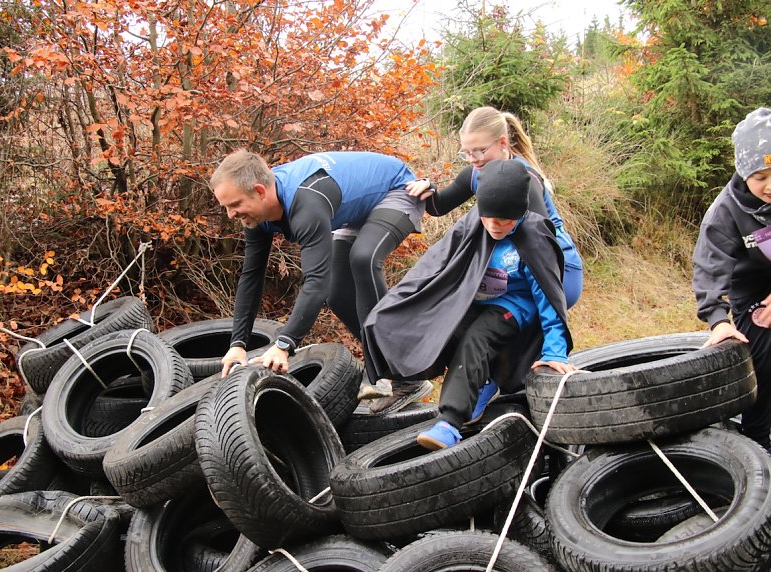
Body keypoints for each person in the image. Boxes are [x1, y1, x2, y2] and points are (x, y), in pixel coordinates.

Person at [361, 160, 576, 449]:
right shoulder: (476, 221)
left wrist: (555, 353)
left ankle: (449, 423)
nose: (494, 226)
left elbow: (550, 298)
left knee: (477, 339)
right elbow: (436, 264)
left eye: (504, 221)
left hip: (514, 306)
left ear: (520, 212)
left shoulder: (536, 237)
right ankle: (419, 382)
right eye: (488, 218)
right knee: (440, 324)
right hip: (473, 296)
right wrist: (398, 303)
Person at [211, 149, 432, 404]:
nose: (231, 215)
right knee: (337, 295)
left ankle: (403, 373)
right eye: (226, 207)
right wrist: (237, 344)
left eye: (235, 205)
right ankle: (394, 369)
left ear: (260, 191)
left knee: (363, 259)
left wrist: (284, 345)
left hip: (398, 190)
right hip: (357, 210)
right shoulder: (257, 215)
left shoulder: (306, 204)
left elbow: (316, 280)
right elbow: (251, 276)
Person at [405, 106, 583, 308]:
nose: (474, 159)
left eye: (480, 150)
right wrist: (428, 188)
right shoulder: (475, 173)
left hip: (556, 271)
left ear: (503, 143)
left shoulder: (526, 180)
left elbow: (540, 246)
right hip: (515, 265)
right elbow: (439, 207)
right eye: (467, 152)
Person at [693, 106, 771, 453]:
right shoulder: (724, 213)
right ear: (743, 171)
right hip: (750, 290)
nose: (770, 186)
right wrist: (717, 321)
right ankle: (757, 444)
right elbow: (711, 268)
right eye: (760, 176)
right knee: (762, 357)